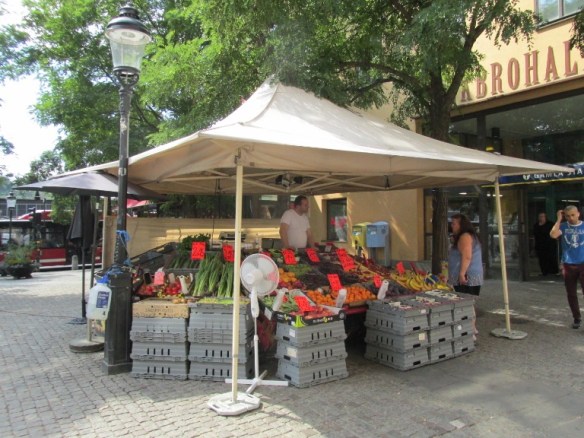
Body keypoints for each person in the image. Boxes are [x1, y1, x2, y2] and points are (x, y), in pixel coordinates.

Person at [448, 213, 483, 340]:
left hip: (467, 276)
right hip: (471, 275)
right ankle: (472, 328)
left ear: (461, 225)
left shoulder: (465, 237)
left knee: (466, 303)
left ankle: (470, 332)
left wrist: (462, 274)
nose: (452, 226)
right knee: (469, 303)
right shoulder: (468, 236)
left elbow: (467, 256)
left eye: (454, 224)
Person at [550, 205, 584, 329]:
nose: (571, 218)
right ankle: (577, 318)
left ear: (578, 214)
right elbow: (553, 235)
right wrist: (559, 219)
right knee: (571, 293)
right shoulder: (563, 226)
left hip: (583, 263)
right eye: (568, 216)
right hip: (568, 264)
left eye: (573, 215)